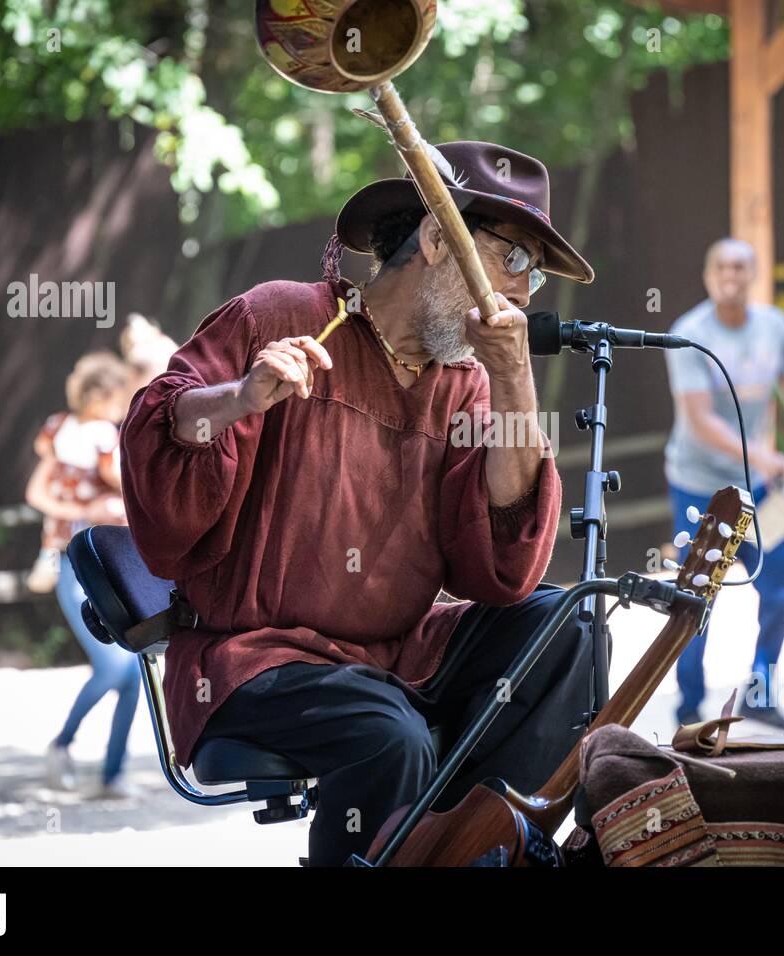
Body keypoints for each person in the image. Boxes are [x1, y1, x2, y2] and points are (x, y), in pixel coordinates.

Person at [119, 141, 599, 866]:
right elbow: (164, 438)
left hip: (395, 658)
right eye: (517, 260)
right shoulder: (281, 313)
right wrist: (240, 399)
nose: (528, 293)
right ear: (440, 238)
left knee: (570, 631)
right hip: (253, 657)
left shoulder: (466, 383)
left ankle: (469, 846)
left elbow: (501, 566)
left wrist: (513, 382)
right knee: (389, 733)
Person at [664, 238, 784, 729]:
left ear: (753, 273)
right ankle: (688, 704)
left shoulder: (776, 327)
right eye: (721, 267)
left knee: (781, 581)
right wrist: (766, 457)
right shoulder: (689, 334)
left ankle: (761, 690)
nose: (730, 275)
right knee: (697, 593)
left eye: (740, 266)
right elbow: (701, 422)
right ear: (708, 275)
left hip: (761, 484)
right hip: (700, 484)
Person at [26, 351, 141, 798]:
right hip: (74, 562)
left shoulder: (86, 434)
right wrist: (84, 510)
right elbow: (38, 492)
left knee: (132, 671)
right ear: (98, 396)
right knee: (115, 665)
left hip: (105, 560)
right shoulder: (78, 435)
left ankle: (113, 772)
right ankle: (63, 744)